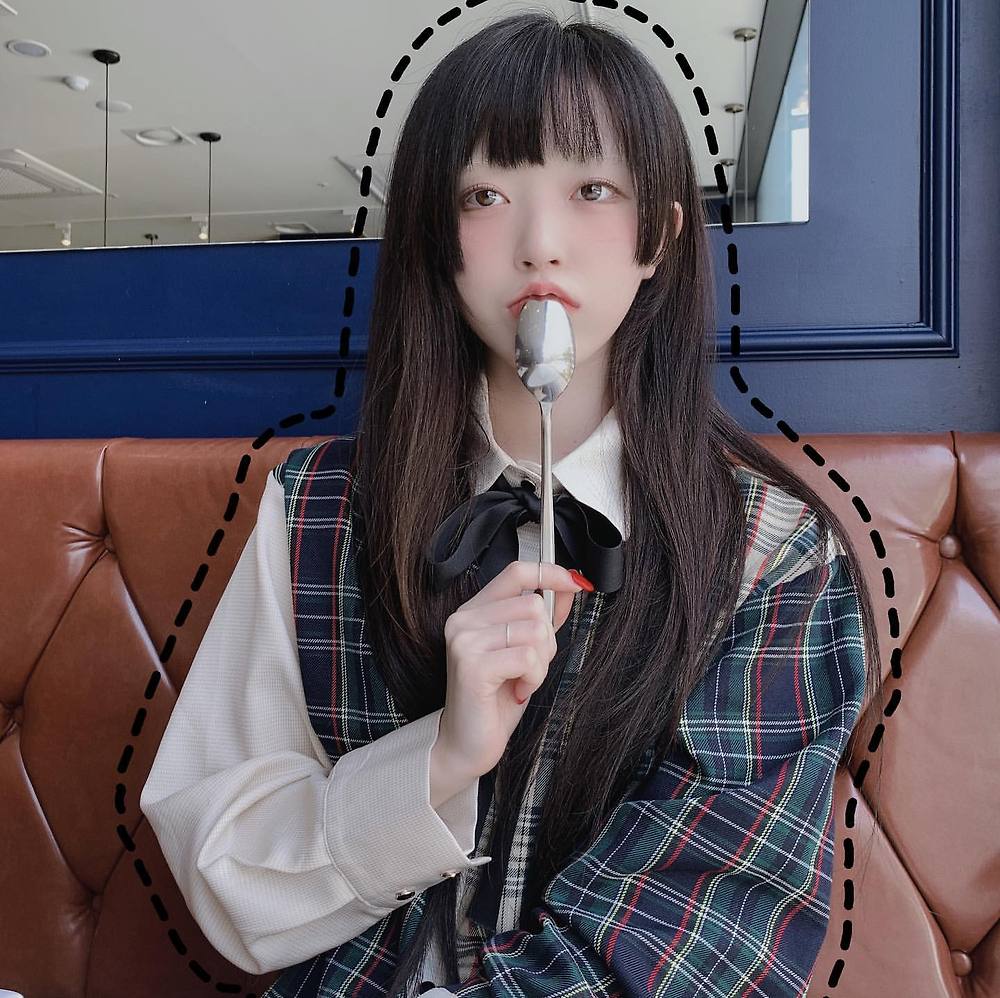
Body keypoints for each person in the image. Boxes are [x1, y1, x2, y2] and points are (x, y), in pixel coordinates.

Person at [140, 10, 884, 998]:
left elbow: (707, 945)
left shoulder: (775, 551)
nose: (541, 245)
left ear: (659, 238)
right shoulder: (314, 507)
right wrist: (438, 759)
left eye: (591, 191)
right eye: (486, 195)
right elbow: (224, 875)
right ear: (438, 240)